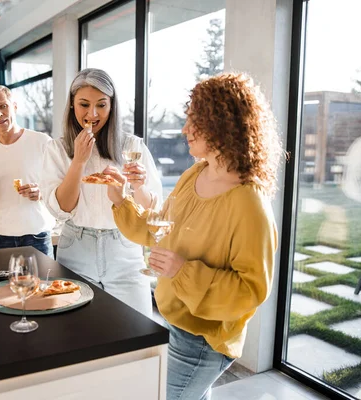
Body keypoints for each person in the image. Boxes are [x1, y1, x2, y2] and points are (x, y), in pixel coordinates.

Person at [106, 72, 281, 400]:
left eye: (194, 121)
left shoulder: (249, 203)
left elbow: (251, 290)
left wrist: (183, 271)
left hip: (204, 340)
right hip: (174, 319)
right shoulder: (195, 173)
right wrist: (121, 199)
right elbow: (160, 227)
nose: (185, 129)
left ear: (221, 124)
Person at [41, 68, 163, 318]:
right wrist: (78, 162)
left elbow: (153, 209)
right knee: (77, 334)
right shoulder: (57, 149)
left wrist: (137, 187)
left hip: (124, 248)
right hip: (76, 248)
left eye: (102, 105)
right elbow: (61, 208)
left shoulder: (131, 146)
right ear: (72, 105)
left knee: (137, 329)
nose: (92, 114)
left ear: (112, 106)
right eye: (84, 104)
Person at [0, 85, 55, 257]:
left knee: (44, 285)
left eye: (3, 106)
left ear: (14, 106)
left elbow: (60, 184)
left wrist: (42, 192)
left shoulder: (42, 142)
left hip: (37, 237)